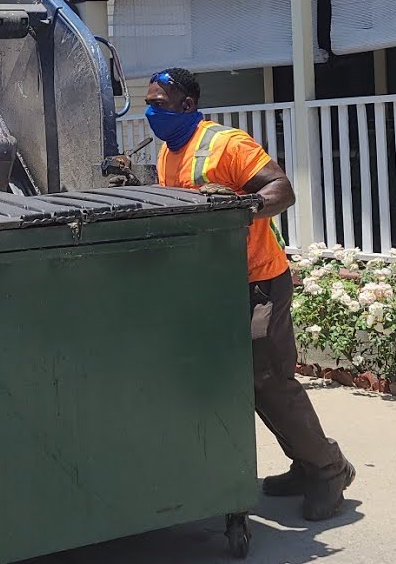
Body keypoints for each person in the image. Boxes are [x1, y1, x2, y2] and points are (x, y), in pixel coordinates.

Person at [144, 68, 356, 522]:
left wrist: (245, 205)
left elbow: (283, 190)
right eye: (149, 103)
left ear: (187, 104)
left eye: (160, 103)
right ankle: (305, 463)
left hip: (257, 280)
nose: (150, 112)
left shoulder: (228, 144)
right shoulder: (167, 151)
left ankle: (328, 469)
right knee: (244, 385)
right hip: (210, 284)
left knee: (270, 380)